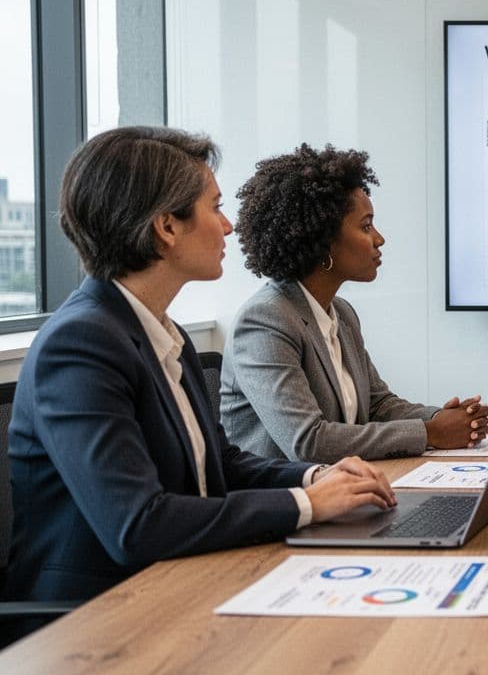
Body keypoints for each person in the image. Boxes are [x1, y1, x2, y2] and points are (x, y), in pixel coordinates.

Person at [4, 127, 396, 616]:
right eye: (215, 207)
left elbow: (222, 466)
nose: (229, 226)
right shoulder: (79, 345)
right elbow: (138, 525)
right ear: (167, 227)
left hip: (181, 581)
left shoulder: (162, 332)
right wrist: (308, 504)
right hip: (94, 619)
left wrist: (317, 475)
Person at [220, 144, 488, 464]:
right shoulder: (266, 320)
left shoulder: (341, 313)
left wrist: (446, 418)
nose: (379, 239)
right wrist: (430, 433)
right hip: (283, 501)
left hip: (342, 488)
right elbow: (307, 442)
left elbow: (378, 406)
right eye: (366, 226)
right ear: (323, 241)